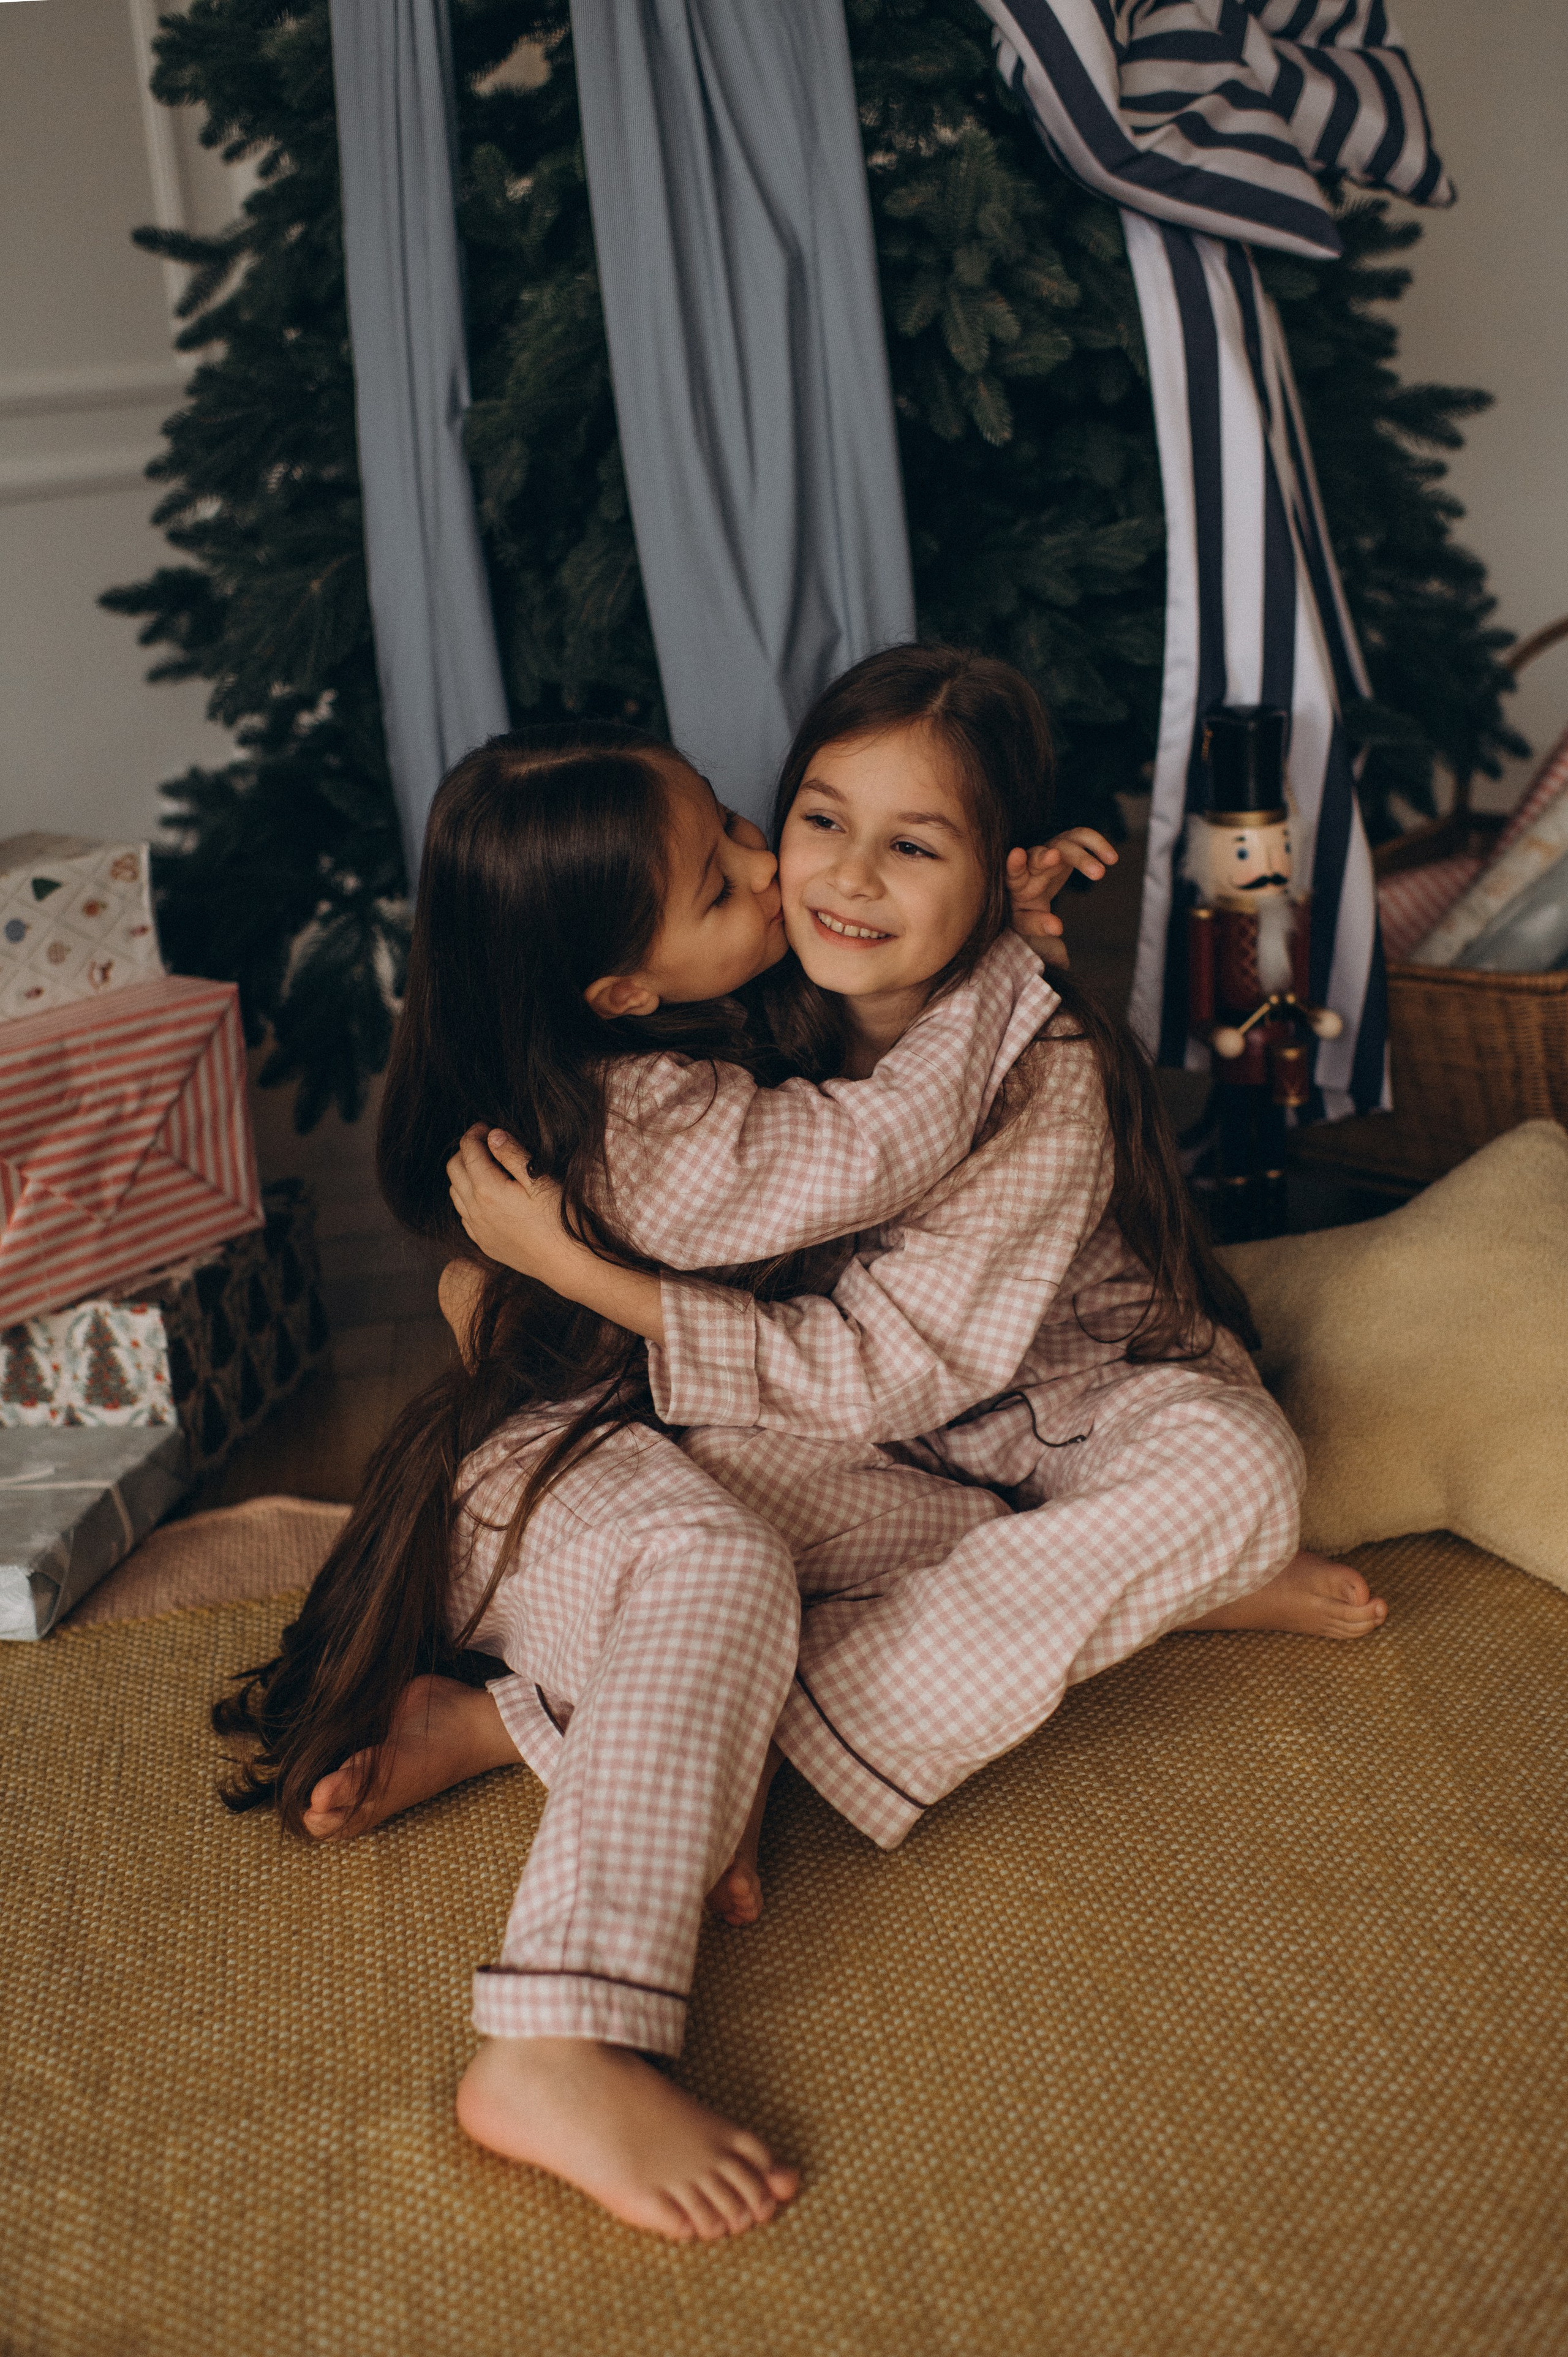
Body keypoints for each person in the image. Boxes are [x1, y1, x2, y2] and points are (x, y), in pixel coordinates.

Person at [211, 714, 1105, 2245]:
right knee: (719, 1572)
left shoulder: (714, 1022)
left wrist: (984, 930)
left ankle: (512, 1718)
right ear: (619, 989)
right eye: (720, 878)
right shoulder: (643, 1111)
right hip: (545, 1487)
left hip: (651, 1457)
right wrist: (1007, 968)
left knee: (952, 1529)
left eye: (733, 825)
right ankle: (555, 2036)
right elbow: (879, 1143)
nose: (772, 868)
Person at [447, 647, 1385, 1915]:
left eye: (913, 848)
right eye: (821, 820)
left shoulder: (1040, 1067)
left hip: (1061, 1392)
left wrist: (569, 1267)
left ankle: (621, 1744)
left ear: (994, 878)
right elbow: (777, 1304)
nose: (841, 873)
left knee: (1240, 1477)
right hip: (861, 1439)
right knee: (693, 1504)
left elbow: (888, 1364)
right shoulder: (733, 979)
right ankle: (1124, 1597)